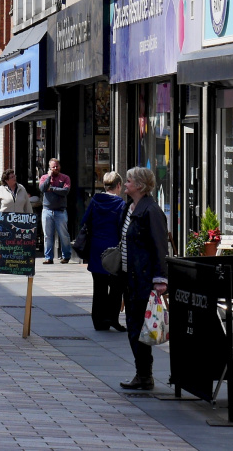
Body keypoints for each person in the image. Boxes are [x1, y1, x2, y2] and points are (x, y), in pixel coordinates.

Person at [119, 167, 170, 390]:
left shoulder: (151, 211)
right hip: (129, 277)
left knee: (139, 327)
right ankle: (143, 373)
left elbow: (160, 246)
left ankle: (144, 374)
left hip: (143, 279)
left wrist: (160, 279)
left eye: (129, 181)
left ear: (139, 186)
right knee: (133, 326)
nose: (126, 183)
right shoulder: (130, 208)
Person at [79, 171, 128, 331]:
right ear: (118, 186)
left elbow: (85, 221)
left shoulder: (95, 201)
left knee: (98, 286)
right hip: (114, 250)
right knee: (116, 286)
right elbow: (123, 228)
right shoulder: (120, 205)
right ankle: (112, 318)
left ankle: (98, 321)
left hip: (96, 249)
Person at [40, 158, 72, 264]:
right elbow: (42, 188)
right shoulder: (44, 177)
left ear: (60, 166)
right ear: (49, 167)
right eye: (53, 167)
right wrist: (49, 177)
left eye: (56, 166)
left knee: (64, 235)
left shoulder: (65, 178)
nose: (55, 168)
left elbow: (65, 191)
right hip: (47, 210)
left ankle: (66, 256)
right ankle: (48, 257)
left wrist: (52, 189)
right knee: (47, 235)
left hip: (61, 211)